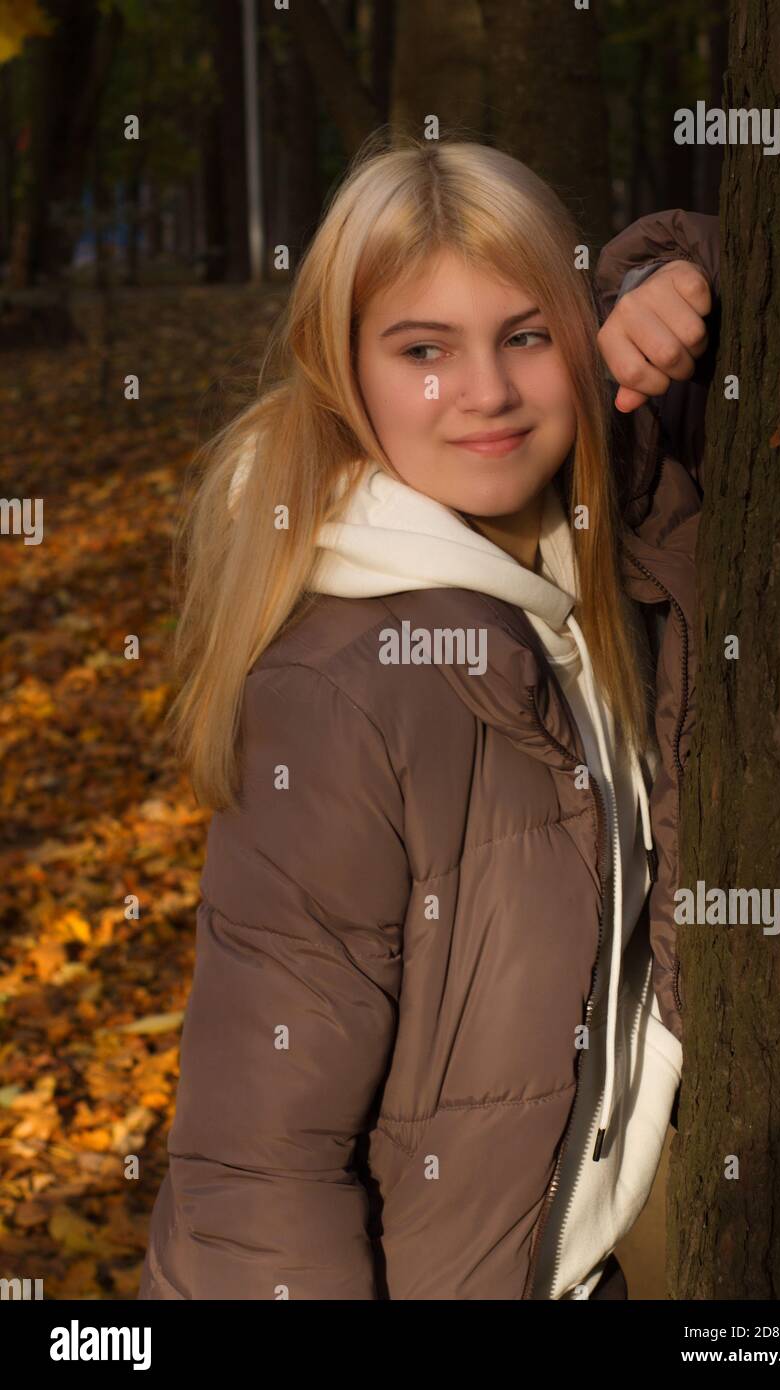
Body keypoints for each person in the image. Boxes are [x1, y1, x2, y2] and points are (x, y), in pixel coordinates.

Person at [137, 132, 720, 1301]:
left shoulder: (574, 565)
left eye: (524, 335)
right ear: (345, 374)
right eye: (422, 351)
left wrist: (674, 275)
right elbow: (256, 1161)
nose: (487, 393)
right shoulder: (348, 687)